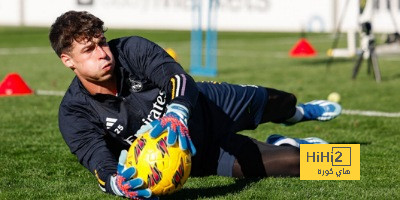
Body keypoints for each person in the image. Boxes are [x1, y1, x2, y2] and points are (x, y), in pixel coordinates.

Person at [49, 10, 342, 199]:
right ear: (67, 61)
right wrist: (116, 183)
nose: (103, 53)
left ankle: (299, 114)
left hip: (210, 105)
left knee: (282, 101)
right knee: (322, 164)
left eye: (102, 42)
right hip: (196, 156)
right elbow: (98, 162)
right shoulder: (74, 112)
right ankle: (288, 145)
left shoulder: (131, 49)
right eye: (89, 50)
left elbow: (177, 77)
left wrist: (176, 113)